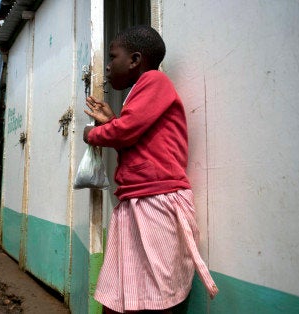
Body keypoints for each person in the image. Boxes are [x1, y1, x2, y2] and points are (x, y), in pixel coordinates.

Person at [83, 25, 218, 313]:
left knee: (156, 292)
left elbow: (127, 131)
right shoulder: (140, 92)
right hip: (139, 199)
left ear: (134, 59)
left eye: (112, 56)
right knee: (127, 287)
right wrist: (111, 122)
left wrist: (93, 134)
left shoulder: (154, 81)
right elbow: (133, 142)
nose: (107, 66)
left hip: (157, 199)